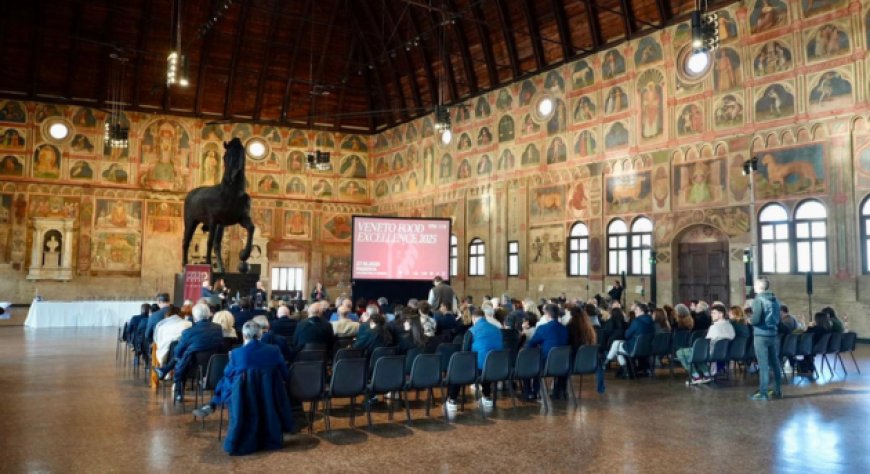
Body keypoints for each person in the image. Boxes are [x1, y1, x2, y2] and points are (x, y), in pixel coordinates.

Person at [192, 321, 290, 419]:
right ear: (261, 334)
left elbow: (227, 374)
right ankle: (213, 403)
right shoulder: (274, 350)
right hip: (270, 393)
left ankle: (213, 403)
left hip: (242, 395)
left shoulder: (237, 353)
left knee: (226, 379)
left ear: (244, 336)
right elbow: (285, 374)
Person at [154, 303, 224, 402]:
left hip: (192, 368)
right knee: (187, 353)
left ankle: (178, 392)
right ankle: (164, 370)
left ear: (194, 317)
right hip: (213, 367)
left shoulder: (188, 332)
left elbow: (178, 352)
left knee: (183, 356)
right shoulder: (218, 328)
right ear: (209, 315)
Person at [447, 309, 504, 413]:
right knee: (485, 362)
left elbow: (464, 352)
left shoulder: (472, 331)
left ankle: (452, 401)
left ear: (473, 318)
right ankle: (487, 397)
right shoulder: (497, 329)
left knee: (456, 371)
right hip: (497, 368)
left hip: (478, 370)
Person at [676, 304, 735, 384]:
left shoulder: (714, 327)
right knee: (696, 353)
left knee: (680, 352)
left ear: (721, 314)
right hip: (723, 353)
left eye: (714, 313)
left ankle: (695, 376)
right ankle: (706, 374)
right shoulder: (729, 326)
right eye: (711, 313)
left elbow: (706, 342)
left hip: (710, 353)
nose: (711, 315)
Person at [523, 304, 568, 401]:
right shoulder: (565, 329)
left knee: (526, 363)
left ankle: (531, 392)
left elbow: (531, 344)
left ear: (547, 315)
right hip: (563, 364)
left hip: (547, 364)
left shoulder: (543, 328)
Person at [749, 278, 782, 400]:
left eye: (755, 284)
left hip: (761, 335)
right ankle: (777, 390)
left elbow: (756, 319)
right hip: (773, 334)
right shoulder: (776, 300)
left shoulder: (758, 299)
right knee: (775, 363)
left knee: (763, 365)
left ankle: (763, 393)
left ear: (758, 286)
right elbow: (779, 317)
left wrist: (750, 320)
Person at [604, 302, 654, 379]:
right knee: (616, 344)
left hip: (634, 348)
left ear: (642, 311)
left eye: (637, 310)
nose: (635, 311)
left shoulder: (636, 321)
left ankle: (610, 364)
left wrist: (628, 331)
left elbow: (626, 335)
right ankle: (614, 365)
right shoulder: (651, 321)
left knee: (615, 345)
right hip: (647, 348)